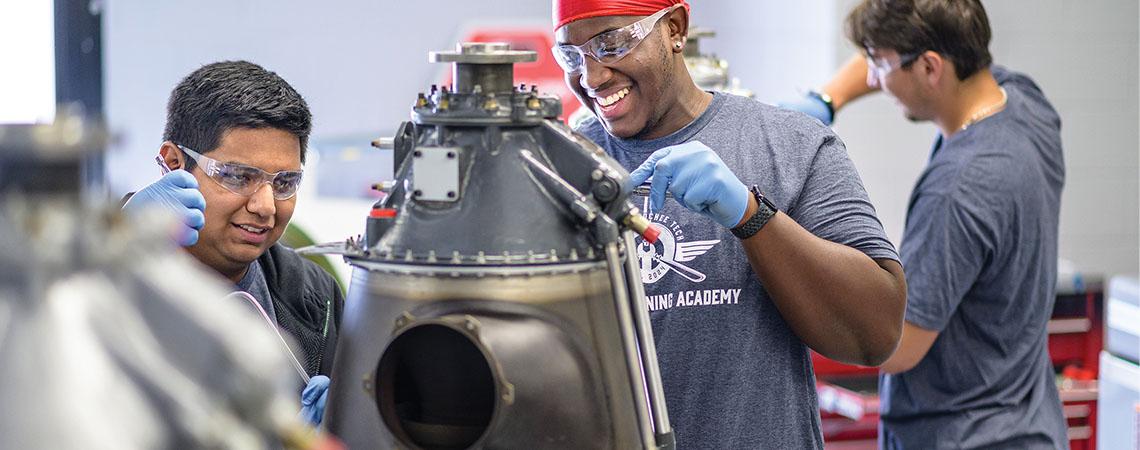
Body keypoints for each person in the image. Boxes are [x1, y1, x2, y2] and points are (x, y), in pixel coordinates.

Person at [551, 0, 908, 447]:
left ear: (675, 28)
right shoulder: (559, 167)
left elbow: (875, 335)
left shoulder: (791, 145)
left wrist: (751, 215)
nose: (592, 75)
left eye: (611, 44)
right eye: (571, 55)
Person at [783, 0, 1068, 448]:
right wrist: (827, 98)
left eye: (880, 64)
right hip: (1026, 423)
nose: (873, 78)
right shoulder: (1024, 104)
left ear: (931, 68)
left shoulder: (957, 192)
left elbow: (894, 346)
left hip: (963, 436)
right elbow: (914, 44)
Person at [122, 61, 342, 425]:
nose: (265, 207)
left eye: (285, 182)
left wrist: (342, 422)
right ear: (174, 162)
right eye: (239, 177)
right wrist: (116, 259)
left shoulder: (315, 296)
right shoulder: (82, 281)